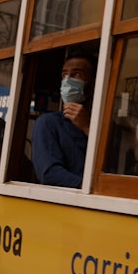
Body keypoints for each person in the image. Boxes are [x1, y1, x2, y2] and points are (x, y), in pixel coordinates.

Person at [31, 53, 96, 188]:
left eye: (76, 74)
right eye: (64, 75)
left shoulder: (104, 126)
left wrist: (88, 128)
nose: (67, 80)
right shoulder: (48, 123)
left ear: (93, 82)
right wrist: (89, 188)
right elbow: (49, 173)